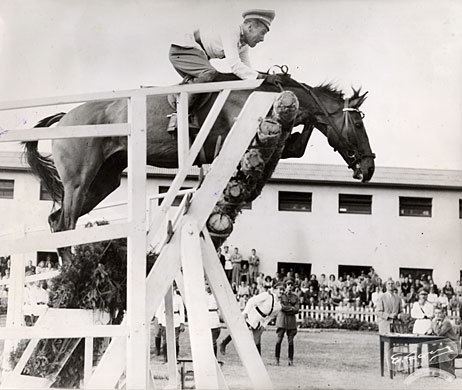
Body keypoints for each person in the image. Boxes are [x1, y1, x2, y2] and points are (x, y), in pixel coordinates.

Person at [168, 9, 277, 130]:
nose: (262, 39)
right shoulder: (232, 31)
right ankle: (178, 112)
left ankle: (189, 106)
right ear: (250, 27)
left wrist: (262, 79)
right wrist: (262, 77)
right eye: (262, 33)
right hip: (182, 50)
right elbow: (235, 66)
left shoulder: (243, 46)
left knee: (219, 77)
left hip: (198, 55)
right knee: (210, 74)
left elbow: (246, 73)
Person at [220, 282, 283, 355]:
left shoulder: (279, 306)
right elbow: (251, 301)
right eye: (280, 289)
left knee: (257, 338)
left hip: (260, 320)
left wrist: (263, 326)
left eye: (283, 290)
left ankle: (258, 359)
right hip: (252, 314)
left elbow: (270, 317)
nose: (281, 291)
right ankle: (224, 343)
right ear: (275, 290)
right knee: (238, 331)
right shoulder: (267, 295)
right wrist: (245, 313)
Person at [155, 287, 186, 362]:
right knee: (165, 340)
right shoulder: (163, 296)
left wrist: (182, 323)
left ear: (175, 287)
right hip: (165, 319)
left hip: (176, 319)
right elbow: (160, 310)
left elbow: (182, 310)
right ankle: (166, 358)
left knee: (175, 340)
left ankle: (175, 358)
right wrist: (159, 322)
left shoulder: (178, 298)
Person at [427, 306, 458, 376]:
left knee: (440, 349)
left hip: (451, 344)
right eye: (435, 313)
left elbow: (439, 333)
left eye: (439, 313)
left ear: (443, 313)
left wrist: (434, 323)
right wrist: (429, 330)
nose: (437, 315)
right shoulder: (436, 321)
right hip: (444, 343)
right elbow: (429, 330)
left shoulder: (446, 322)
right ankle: (434, 370)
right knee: (431, 348)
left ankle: (447, 372)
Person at [275, 279, 300, 366]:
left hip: (291, 321)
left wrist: (288, 309)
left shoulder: (295, 297)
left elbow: (297, 309)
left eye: (291, 285)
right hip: (282, 320)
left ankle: (290, 361)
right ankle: (277, 360)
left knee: (291, 341)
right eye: (288, 285)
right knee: (279, 340)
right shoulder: (281, 296)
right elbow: (281, 307)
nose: (290, 286)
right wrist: (291, 309)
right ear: (285, 286)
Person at [206, 284, 222, 357]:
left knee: (213, 341)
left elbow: (220, 308)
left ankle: (214, 358)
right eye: (206, 285)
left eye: (209, 285)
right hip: (205, 318)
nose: (208, 287)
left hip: (214, 318)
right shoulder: (203, 295)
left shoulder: (216, 296)